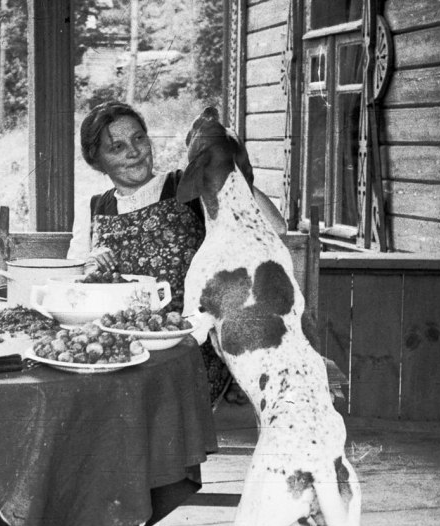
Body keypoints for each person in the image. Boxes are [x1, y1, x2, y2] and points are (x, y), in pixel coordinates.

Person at [68, 101, 286, 406]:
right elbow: (72, 286)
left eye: (139, 138)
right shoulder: (92, 208)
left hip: (187, 345)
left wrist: (229, 172)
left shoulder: (189, 185)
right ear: (97, 161)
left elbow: (275, 227)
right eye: (117, 147)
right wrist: (90, 266)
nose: (134, 151)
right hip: (118, 344)